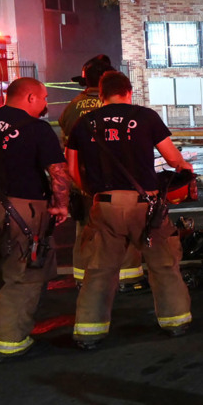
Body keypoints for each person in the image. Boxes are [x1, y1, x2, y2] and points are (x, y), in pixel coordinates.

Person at [67, 71, 193, 348]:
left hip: (105, 205)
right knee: (163, 264)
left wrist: (91, 192)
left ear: (101, 95)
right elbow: (173, 159)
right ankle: (176, 322)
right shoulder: (145, 117)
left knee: (99, 269)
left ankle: (89, 332)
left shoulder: (84, 122)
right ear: (129, 91)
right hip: (145, 206)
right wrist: (186, 169)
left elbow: (72, 169)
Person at [0, 78, 70, 362]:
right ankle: (11, 342)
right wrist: (61, 206)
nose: (45, 103)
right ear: (30, 97)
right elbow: (58, 172)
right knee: (24, 276)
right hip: (20, 210)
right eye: (44, 98)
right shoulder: (37, 128)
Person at [60, 54, 146, 290]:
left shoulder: (72, 108)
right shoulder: (119, 108)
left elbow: (68, 145)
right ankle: (127, 278)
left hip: (85, 180)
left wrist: (79, 184)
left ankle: (83, 278)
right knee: (124, 229)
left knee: (87, 232)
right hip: (120, 181)